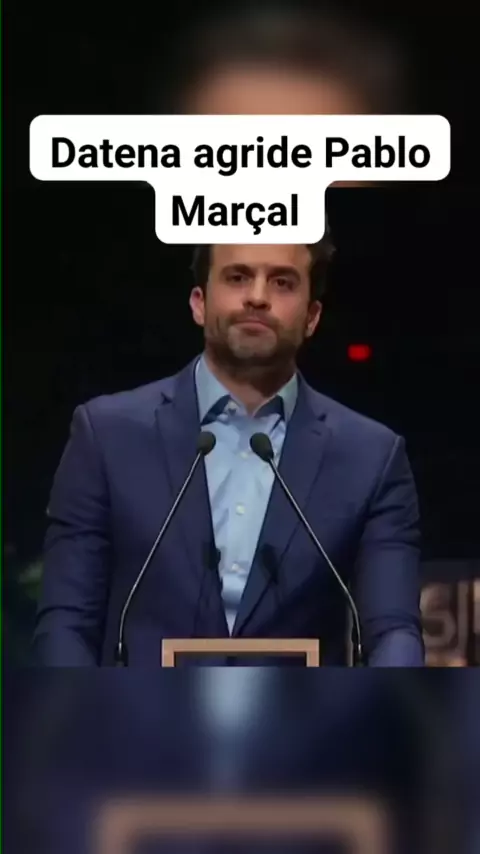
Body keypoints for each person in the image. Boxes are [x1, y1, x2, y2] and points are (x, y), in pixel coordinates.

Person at [32, 237, 424, 666]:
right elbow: (67, 624)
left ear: (312, 317)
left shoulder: (371, 457)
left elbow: (393, 632)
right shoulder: (106, 435)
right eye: (237, 277)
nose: (257, 297)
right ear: (199, 303)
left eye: (282, 282)